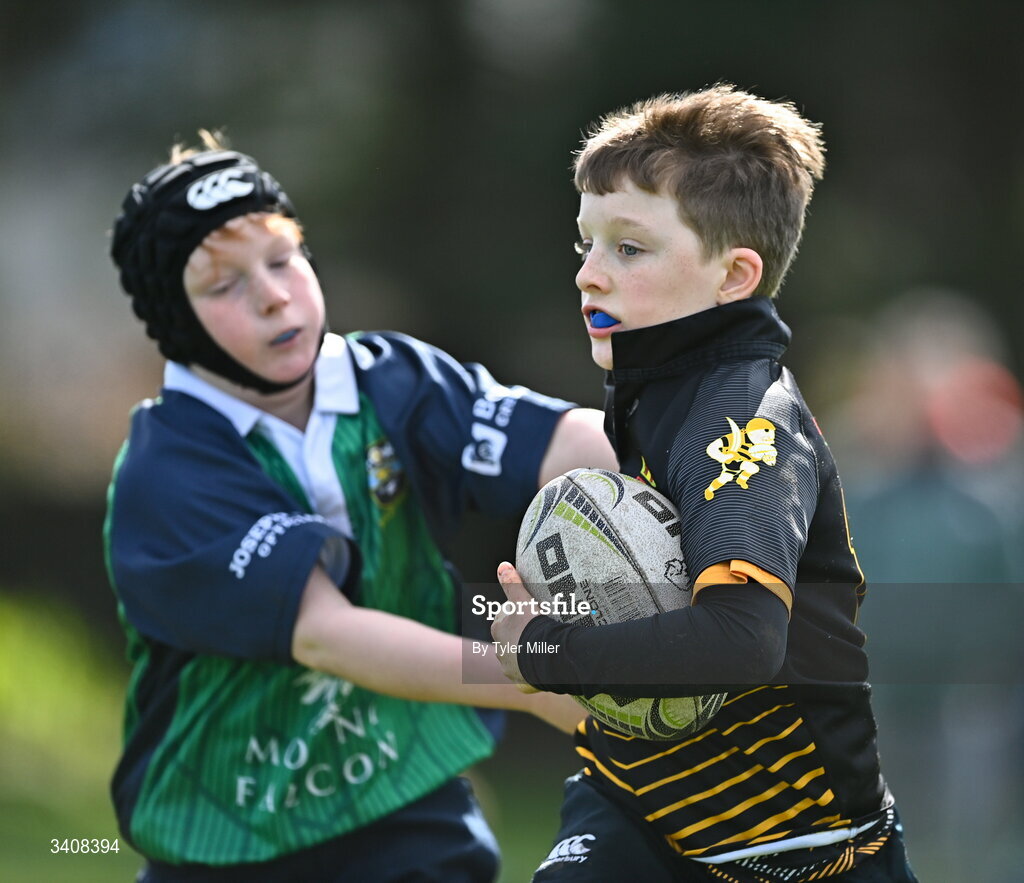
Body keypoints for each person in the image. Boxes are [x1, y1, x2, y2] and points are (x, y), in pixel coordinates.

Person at [105, 131, 616, 882]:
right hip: (226, 825)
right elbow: (324, 634)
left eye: (283, 260)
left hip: (401, 788)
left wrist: (710, 458)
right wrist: (536, 677)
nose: (275, 294)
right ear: (175, 323)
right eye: (224, 286)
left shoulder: (393, 380)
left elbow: (562, 441)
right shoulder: (170, 466)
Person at [491, 86, 918, 881]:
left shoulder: (741, 425)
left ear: (733, 275)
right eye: (584, 244)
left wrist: (551, 650)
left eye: (629, 249)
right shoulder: (656, 388)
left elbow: (740, 640)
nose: (589, 275)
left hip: (796, 852)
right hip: (636, 803)